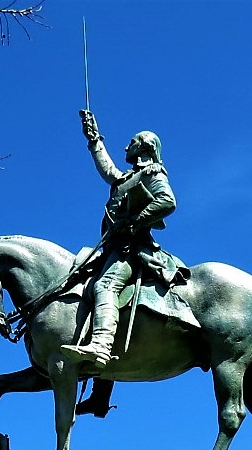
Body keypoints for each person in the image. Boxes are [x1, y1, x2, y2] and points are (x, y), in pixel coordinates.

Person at [60, 110, 189, 369]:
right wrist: (93, 138)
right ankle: (100, 388)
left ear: (145, 147)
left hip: (133, 249)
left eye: (131, 142)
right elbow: (108, 169)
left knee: (105, 286)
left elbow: (167, 201)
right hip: (114, 246)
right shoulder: (126, 178)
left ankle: (101, 346)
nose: (126, 146)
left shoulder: (153, 172)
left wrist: (132, 222)